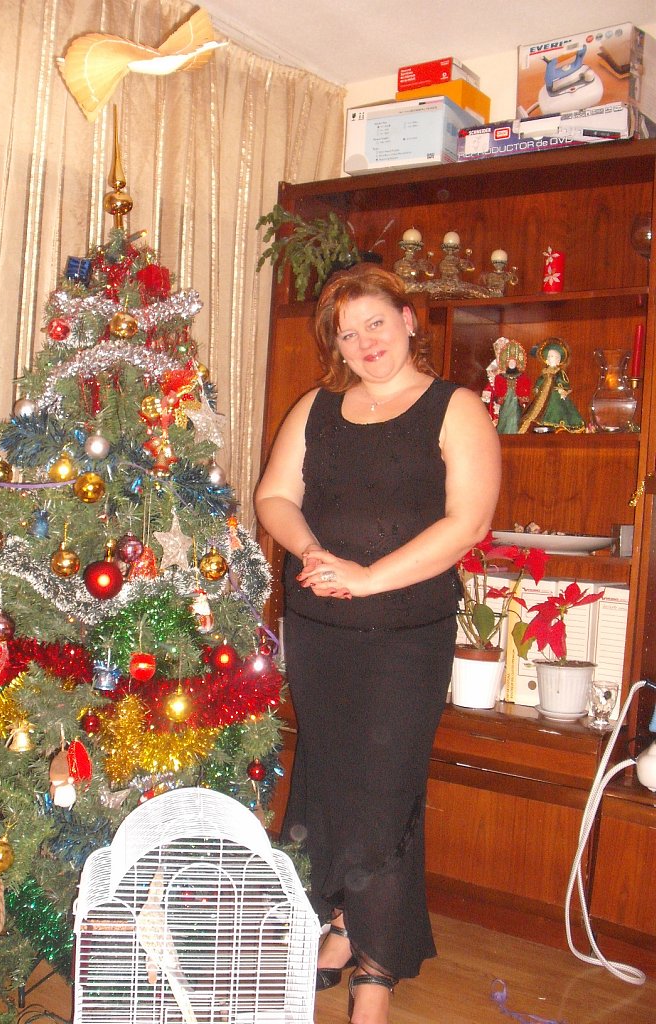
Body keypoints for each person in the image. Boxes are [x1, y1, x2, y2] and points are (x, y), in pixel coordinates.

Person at [254, 264, 500, 1024]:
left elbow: (468, 522)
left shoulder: (456, 408)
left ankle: (377, 971)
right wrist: (311, 552)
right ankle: (337, 922)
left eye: (376, 324)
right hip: (319, 629)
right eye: (347, 333)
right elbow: (274, 496)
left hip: (403, 636)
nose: (364, 343)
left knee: (384, 792)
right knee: (326, 777)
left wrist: (367, 579)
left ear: (408, 320)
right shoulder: (317, 407)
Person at [518, 337, 585, 434]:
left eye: (555, 357)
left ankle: (554, 423)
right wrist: (537, 388)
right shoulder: (545, 373)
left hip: (555, 396)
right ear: (546, 360)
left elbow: (564, 382)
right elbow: (540, 381)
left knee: (556, 409)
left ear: (559, 361)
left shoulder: (559, 373)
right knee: (536, 409)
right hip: (543, 394)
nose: (552, 359)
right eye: (550, 356)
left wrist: (562, 390)